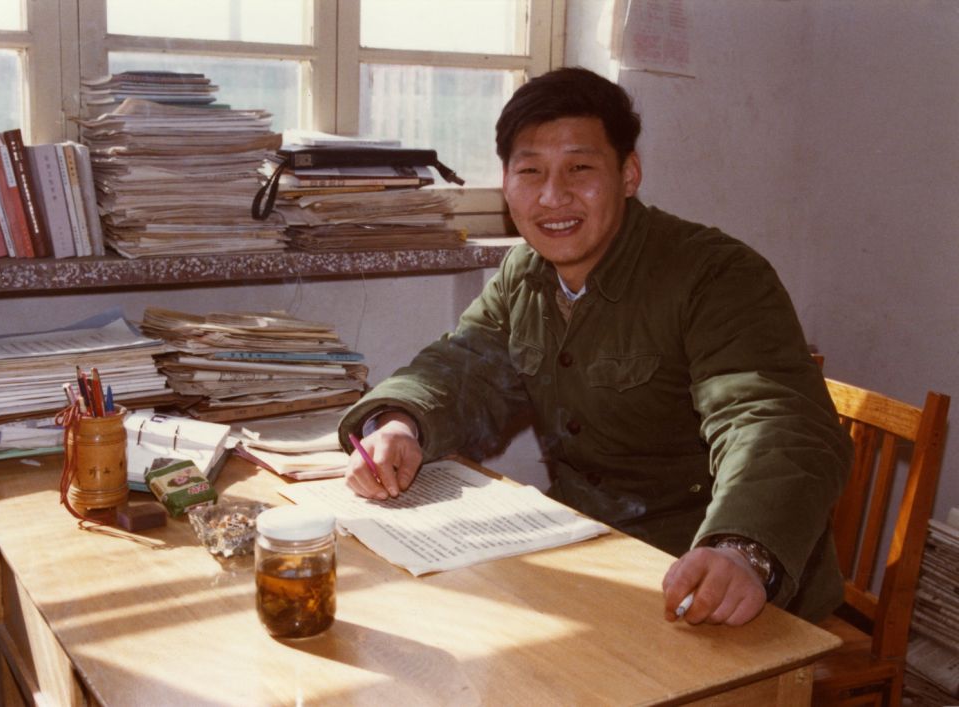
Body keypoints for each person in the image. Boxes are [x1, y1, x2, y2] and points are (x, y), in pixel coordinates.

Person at [337, 67, 852, 627]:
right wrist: (398, 424)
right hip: (591, 552)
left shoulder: (716, 275)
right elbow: (465, 365)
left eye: (579, 169)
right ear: (506, 181)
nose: (553, 196)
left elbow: (770, 420)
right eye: (530, 171)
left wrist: (741, 550)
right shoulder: (525, 272)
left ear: (629, 174)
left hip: (709, 580)